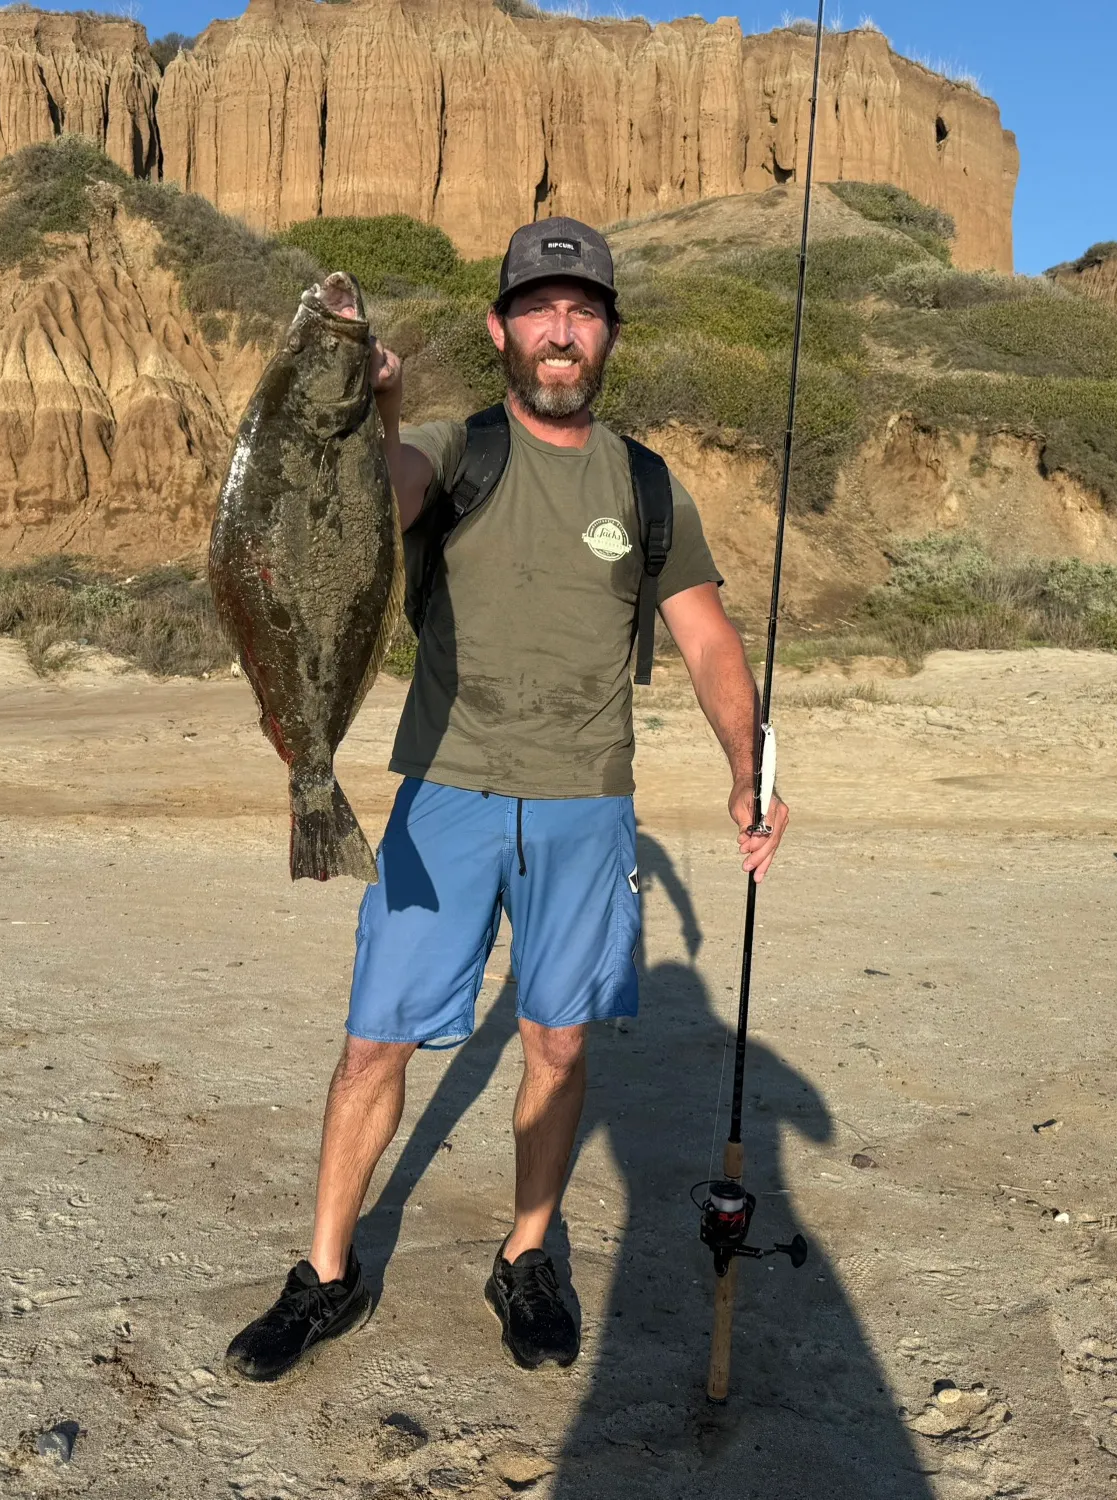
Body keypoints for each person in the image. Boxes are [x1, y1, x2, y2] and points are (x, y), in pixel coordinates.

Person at [224, 217, 789, 1382]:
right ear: (501, 330)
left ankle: (528, 1253)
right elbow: (369, 498)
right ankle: (326, 1272)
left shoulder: (644, 483)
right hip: (444, 793)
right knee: (377, 1043)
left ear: (610, 336)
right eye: (541, 308)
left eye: (584, 310)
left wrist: (749, 763)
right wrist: (368, 402)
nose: (562, 329)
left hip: (587, 802)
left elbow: (709, 638)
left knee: (557, 1038)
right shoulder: (453, 445)